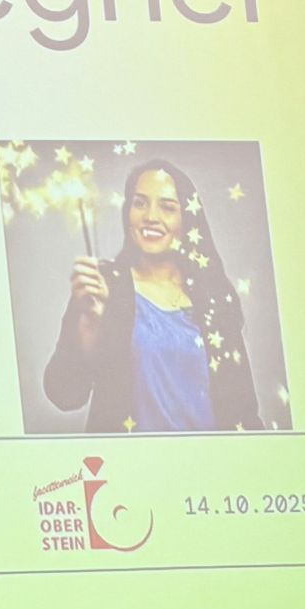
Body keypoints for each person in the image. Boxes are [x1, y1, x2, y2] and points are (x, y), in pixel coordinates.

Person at [44, 158, 260, 433]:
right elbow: (65, 394)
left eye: (167, 207)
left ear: (187, 219)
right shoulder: (103, 287)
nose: (151, 217)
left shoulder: (212, 295)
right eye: (140, 203)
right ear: (128, 211)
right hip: (130, 468)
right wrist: (89, 328)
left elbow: (244, 411)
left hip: (210, 468)